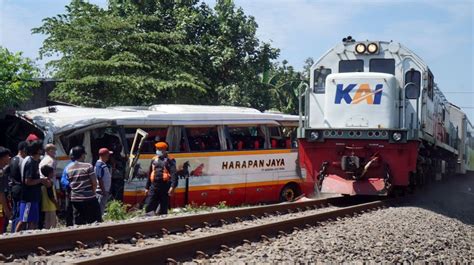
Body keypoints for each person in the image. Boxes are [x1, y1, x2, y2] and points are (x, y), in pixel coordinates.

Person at [16, 141, 50, 232]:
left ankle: (30, 239)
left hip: (34, 197)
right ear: (38, 150)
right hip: (28, 198)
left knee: (33, 221)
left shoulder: (36, 161)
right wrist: (41, 180)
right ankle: (14, 237)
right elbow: (28, 181)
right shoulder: (30, 162)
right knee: (24, 220)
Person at [66, 146, 101, 225]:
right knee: (95, 221)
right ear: (82, 155)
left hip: (75, 198)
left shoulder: (69, 168)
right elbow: (94, 182)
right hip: (88, 198)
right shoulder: (88, 166)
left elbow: (71, 183)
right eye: (84, 155)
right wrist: (92, 192)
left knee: (79, 222)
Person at [144, 142, 178, 215]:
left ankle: (162, 221)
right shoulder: (154, 159)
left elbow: (174, 174)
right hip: (154, 186)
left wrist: (172, 186)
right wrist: (147, 187)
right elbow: (149, 173)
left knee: (163, 206)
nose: (157, 150)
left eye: (159, 149)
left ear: (164, 150)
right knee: (149, 204)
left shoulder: (170, 160)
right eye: (157, 149)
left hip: (165, 186)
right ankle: (149, 220)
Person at [6, 141, 28, 232]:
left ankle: (12, 232)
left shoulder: (12, 160)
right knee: (20, 213)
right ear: (23, 150)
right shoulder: (22, 161)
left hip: (13, 189)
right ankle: (16, 234)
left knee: (15, 212)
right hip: (20, 189)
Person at [95, 148, 112, 215]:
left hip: (103, 190)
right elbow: (99, 178)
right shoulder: (99, 165)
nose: (109, 157)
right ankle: (99, 221)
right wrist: (103, 190)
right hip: (101, 191)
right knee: (100, 208)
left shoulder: (102, 164)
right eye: (108, 155)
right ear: (104, 155)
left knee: (102, 207)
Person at [60, 153, 75, 227]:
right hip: (78, 192)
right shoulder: (82, 165)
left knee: (69, 208)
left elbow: (63, 181)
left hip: (69, 191)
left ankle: (69, 225)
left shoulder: (67, 167)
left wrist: (69, 186)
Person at [0, 147, 12, 233]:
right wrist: (6, 209)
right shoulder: (1, 173)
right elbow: (1, 194)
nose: (9, 158)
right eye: (7, 156)